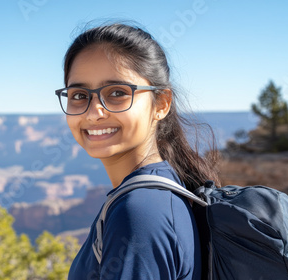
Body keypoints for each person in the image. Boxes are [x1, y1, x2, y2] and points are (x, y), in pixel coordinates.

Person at [54, 23, 220, 279]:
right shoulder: (160, 189)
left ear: (161, 104)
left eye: (117, 93)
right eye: (79, 95)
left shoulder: (139, 212)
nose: (94, 111)